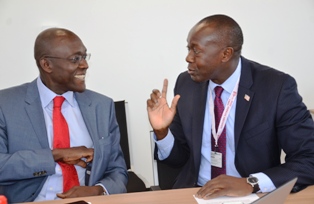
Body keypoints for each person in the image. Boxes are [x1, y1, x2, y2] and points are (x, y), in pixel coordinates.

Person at [147, 14, 314, 200]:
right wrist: (162, 132)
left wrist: (251, 183)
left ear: (225, 54)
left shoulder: (276, 87)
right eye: (188, 49)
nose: (188, 58)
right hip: (197, 192)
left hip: (252, 195)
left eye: (196, 51)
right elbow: (179, 158)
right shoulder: (187, 84)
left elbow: (309, 158)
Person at [0, 28, 128, 203]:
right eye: (75, 59)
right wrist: (56, 155)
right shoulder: (5, 105)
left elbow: (117, 171)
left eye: (84, 56)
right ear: (47, 65)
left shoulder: (102, 106)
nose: (84, 65)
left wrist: (97, 191)